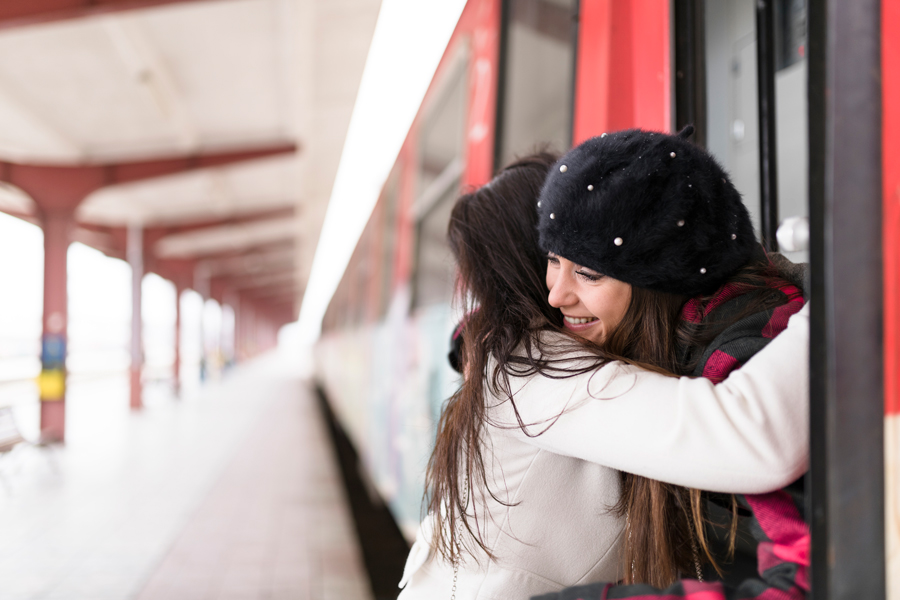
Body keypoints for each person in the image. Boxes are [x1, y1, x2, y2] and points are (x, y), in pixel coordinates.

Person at [397, 143, 809, 600]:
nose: (557, 295)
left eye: (586, 270)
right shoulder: (534, 366)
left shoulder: (533, 353)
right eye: (552, 260)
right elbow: (753, 439)